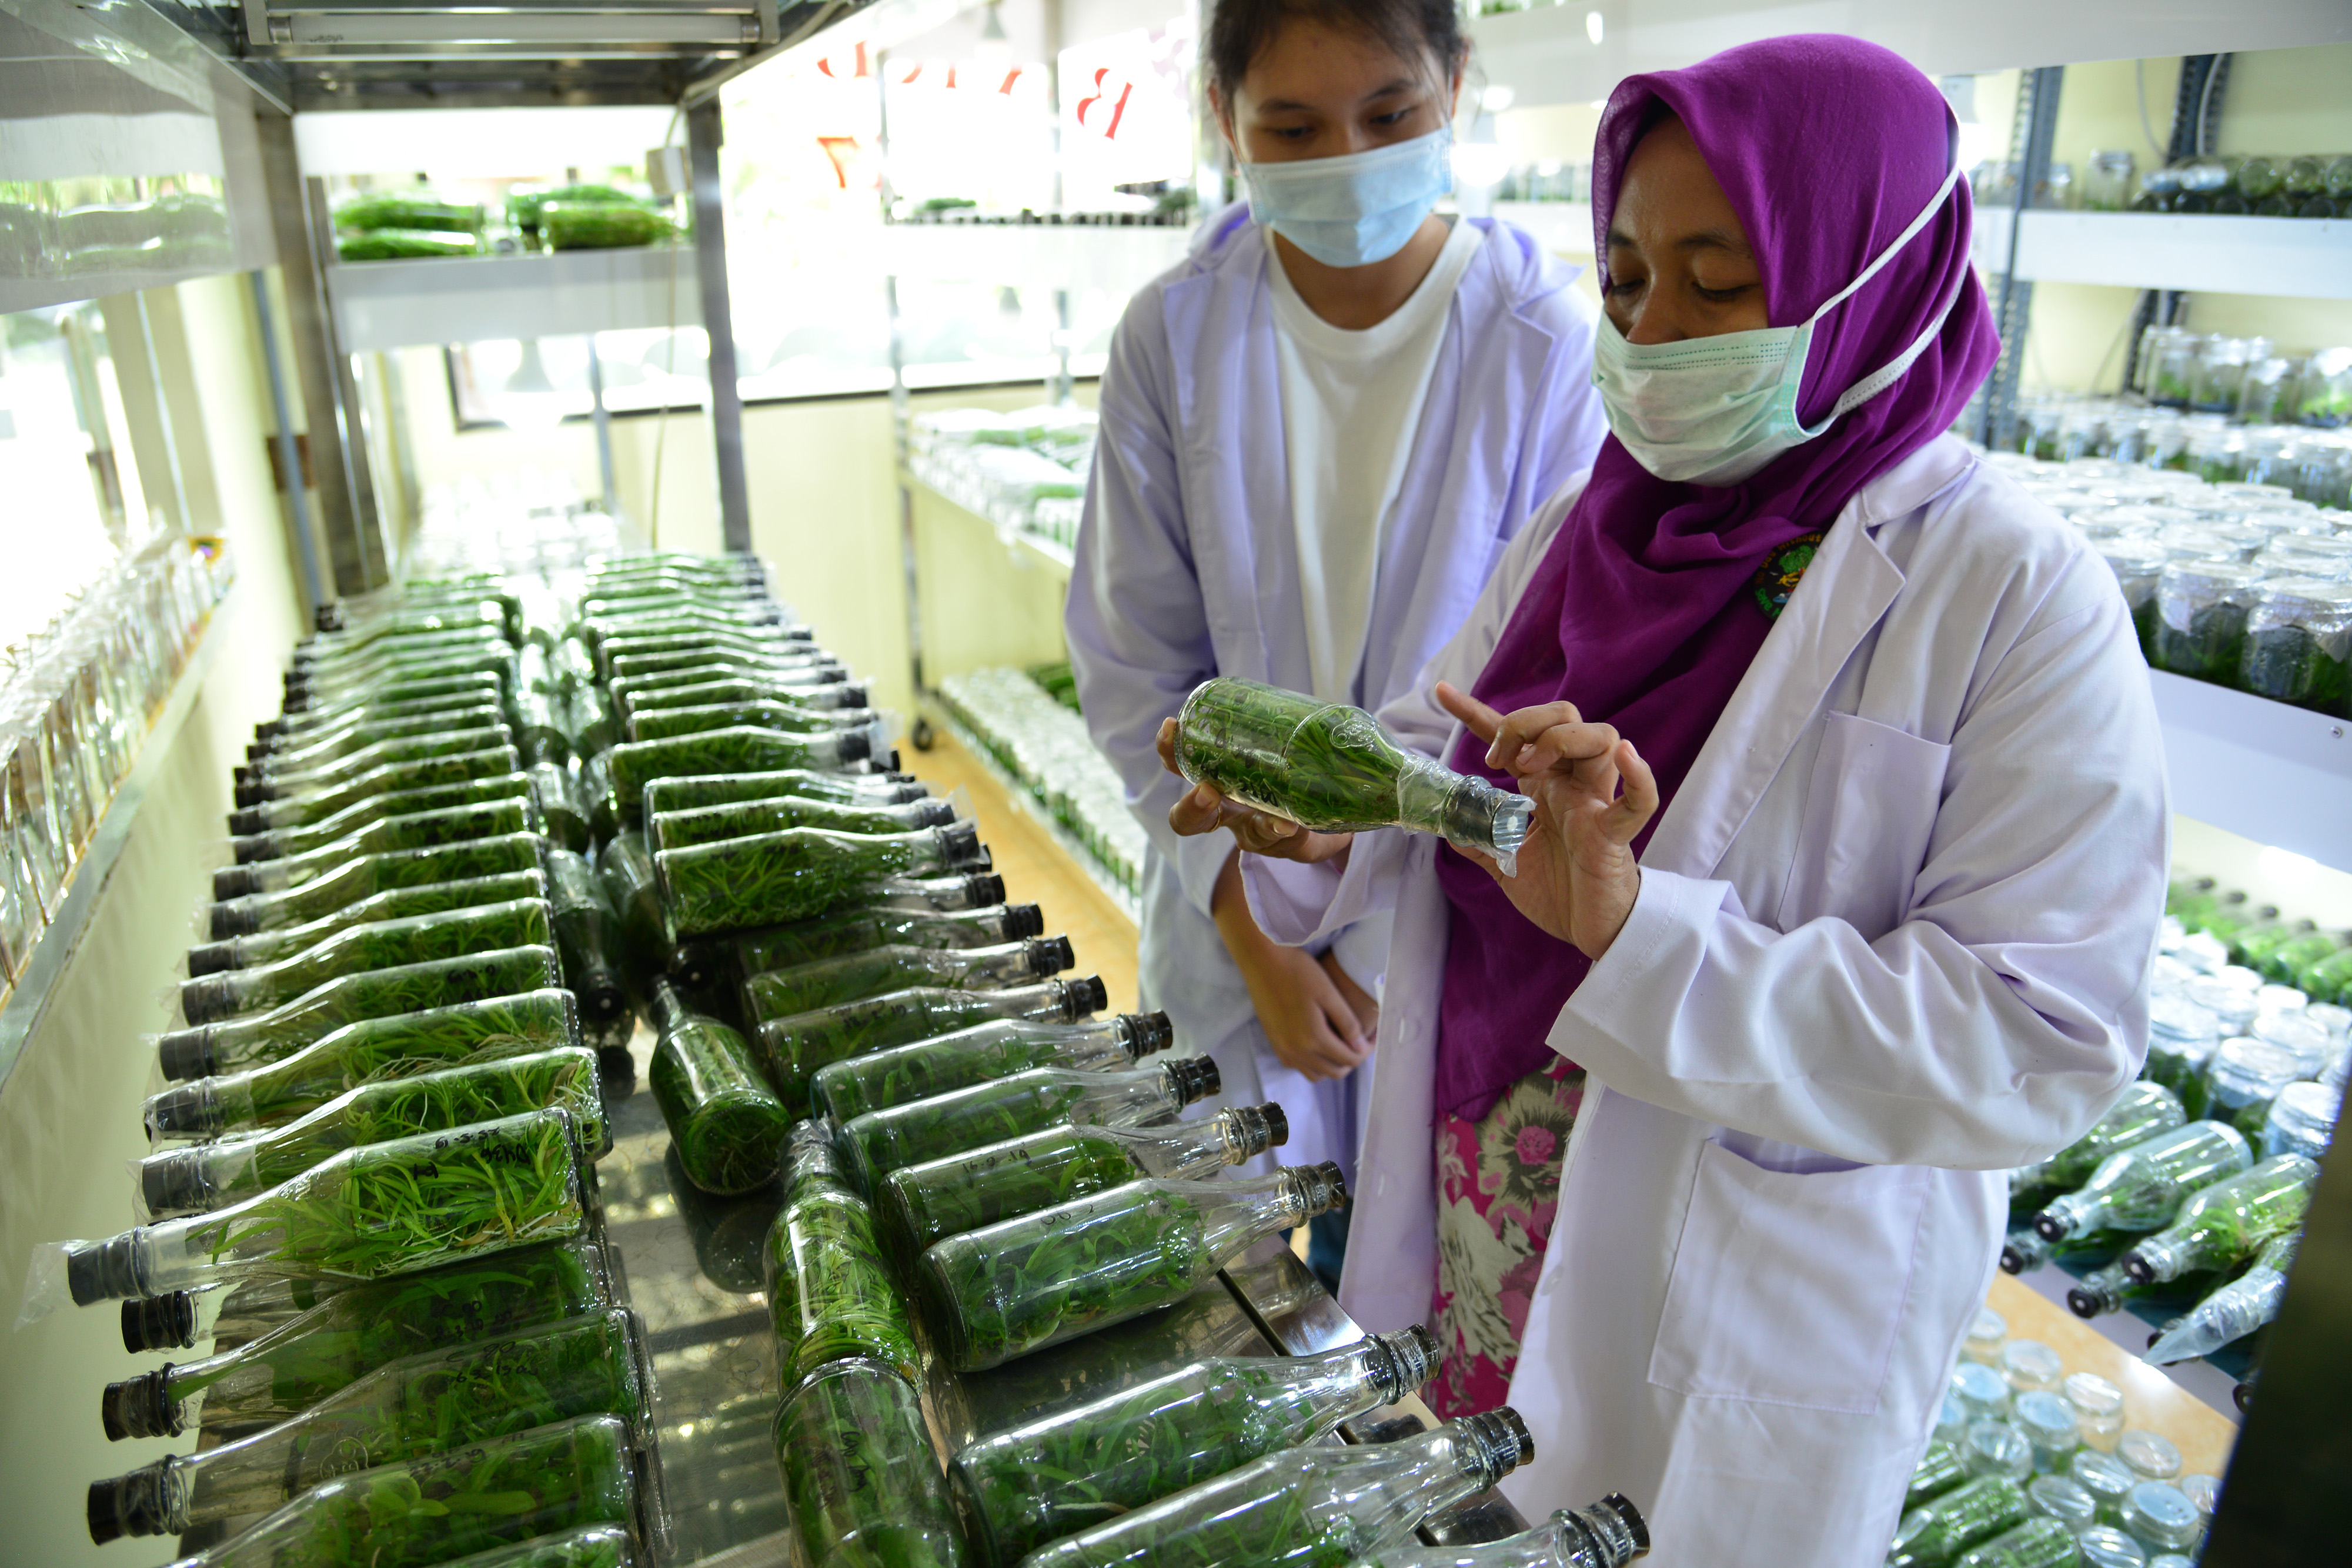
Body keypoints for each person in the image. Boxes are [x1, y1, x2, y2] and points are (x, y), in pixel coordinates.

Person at [1156, 34, 2166, 1566]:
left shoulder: (2015, 595)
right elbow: (1446, 759)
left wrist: (1646, 933)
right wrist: (1326, 827)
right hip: (1484, 1216)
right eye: (1626, 277)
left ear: (1870, 275)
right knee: (1469, 1504)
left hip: (1733, 1295)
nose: (1654, 333)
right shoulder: (1592, 523)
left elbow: (2040, 1037)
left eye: (1720, 278)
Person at [1065, 0, 1608, 1289]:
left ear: (1454, 86)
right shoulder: (1174, 336)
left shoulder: (1541, 342)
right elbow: (1132, 658)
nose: (1343, 160)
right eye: (1291, 128)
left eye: (1387, 116)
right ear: (1222, 122)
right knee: (1240, 1279)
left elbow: (1552, 662)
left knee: (1420, 1298)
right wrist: (1256, 928)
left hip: (1454, 918)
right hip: (1229, 917)